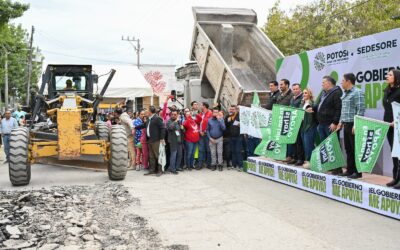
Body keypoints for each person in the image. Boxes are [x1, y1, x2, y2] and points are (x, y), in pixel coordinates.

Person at [307, 75, 342, 174]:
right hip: (322, 124)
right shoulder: (324, 93)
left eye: (323, 82)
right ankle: (330, 165)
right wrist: (312, 108)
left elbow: (338, 109)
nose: (322, 84)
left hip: (330, 124)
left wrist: (335, 122)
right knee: (326, 146)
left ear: (329, 83)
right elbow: (319, 106)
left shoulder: (337, 93)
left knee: (333, 146)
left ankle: (337, 167)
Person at [337, 73, 365, 179]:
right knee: (348, 149)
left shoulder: (357, 92)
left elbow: (361, 109)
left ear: (348, 81)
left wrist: (356, 124)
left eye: (342, 81)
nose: (341, 83)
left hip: (354, 124)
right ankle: (350, 170)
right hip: (346, 124)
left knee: (355, 149)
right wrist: (340, 122)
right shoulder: (345, 93)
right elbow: (343, 110)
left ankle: (358, 172)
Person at [136, 106, 166, 176]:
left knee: (158, 156)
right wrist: (135, 127)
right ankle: (152, 170)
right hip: (150, 140)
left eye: (147, 110)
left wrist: (162, 138)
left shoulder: (157, 118)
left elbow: (162, 128)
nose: (146, 112)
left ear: (150, 111)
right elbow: (144, 125)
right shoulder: (149, 119)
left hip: (156, 140)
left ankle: (160, 170)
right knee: (151, 156)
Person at [383, 69, 400, 188]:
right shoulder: (387, 90)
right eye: (387, 74)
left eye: (390, 75)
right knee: (394, 153)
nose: (387, 76)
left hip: (398, 126)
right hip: (388, 125)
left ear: (397, 77)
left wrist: (398, 121)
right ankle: (395, 178)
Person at [287, 83, 305, 166]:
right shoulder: (292, 98)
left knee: (299, 142)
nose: (295, 90)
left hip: (300, 123)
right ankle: (295, 157)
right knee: (293, 141)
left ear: (300, 89)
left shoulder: (302, 98)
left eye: (296, 89)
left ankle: (300, 159)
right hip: (293, 122)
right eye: (293, 89)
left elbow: (301, 109)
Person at [301, 88, 318, 168]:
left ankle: (311, 162)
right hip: (303, 127)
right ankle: (308, 160)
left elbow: (312, 116)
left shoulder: (311, 104)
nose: (304, 94)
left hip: (310, 127)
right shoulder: (303, 103)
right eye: (303, 93)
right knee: (305, 145)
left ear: (309, 94)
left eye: (306, 93)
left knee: (309, 145)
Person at [225, 105, 243, 171]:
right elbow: (225, 125)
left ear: (235, 110)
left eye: (233, 109)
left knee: (238, 151)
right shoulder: (228, 116)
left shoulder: (239, 115)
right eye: (231, 109)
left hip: (238, 136)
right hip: (231, 137)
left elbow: (244, 124)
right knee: (233, 151)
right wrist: (227, 121)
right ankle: (234, 165)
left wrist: (239, 124)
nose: (231, 110)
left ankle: (240, 166)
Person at [196, 102, 213, 169]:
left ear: (204, 106)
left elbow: (211, 124)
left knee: (208, 149)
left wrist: (205, 131)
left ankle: (209, 164)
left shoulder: (210, 113)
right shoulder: (200, 114)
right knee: (201, 149)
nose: (200, 106)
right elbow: (198, 123)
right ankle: (200, 164)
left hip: (207, 134)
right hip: (200, 134)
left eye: (201, 105)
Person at [166, 110, 183, 174]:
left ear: (177, 115)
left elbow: (181, 131)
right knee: (173, 155)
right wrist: (176, 121)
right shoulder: (169, 122)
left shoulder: (179, 122)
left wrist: (182, 128)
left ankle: (177, 167)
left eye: (175, 114)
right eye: (172, 114)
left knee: (179, 155)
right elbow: (170, 128)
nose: (173, 115)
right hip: (173, 141)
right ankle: (172, 169)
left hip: (179, 141)